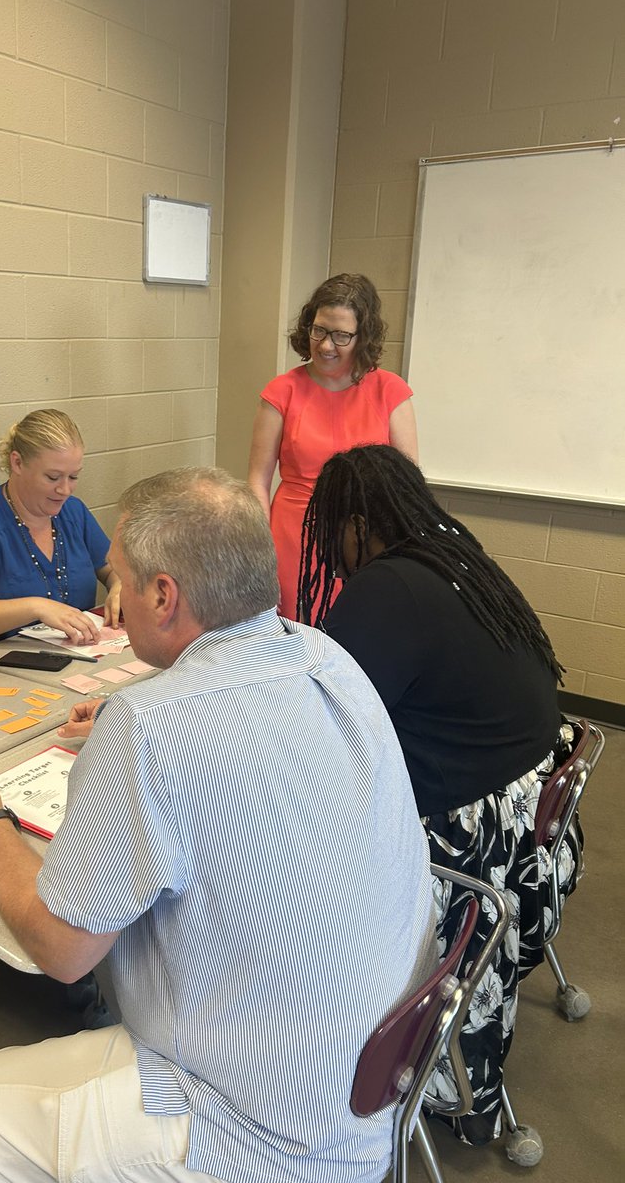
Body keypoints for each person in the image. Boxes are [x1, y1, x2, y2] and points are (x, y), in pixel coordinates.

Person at [0, 467, 438, 1183]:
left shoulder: (150, 723)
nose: (112, 593)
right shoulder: (325, 653)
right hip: (375, 1074)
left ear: (162, 595)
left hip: (258, 1129)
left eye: (118, 578)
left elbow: (62, 950)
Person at [298, 444, 574, 1146]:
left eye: (333, 532)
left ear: (359, 523)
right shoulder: (455, 555)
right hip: (526, 805)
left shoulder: (387, 588)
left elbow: (324, 727)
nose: (330, 551)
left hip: (465, 837)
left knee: (281, 837)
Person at [248, 273, 418, 620]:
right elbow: (257, 481)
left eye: (341, 335)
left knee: (359, 629)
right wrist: (259, 547)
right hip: (295, 534)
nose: (326, 345)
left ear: (363, 336)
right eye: (319, 330)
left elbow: (407, 484)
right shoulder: (283, 391)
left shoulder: (390, 390)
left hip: (366, 538)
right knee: (297, 632)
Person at [0, 409, 121, 646]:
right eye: (53, 477)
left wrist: (120, 586)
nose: (65, 490)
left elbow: (112, 568)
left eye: (73, 477)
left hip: (69, 658)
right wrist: (36, 607)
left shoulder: (73, 512)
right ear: (17, 463)